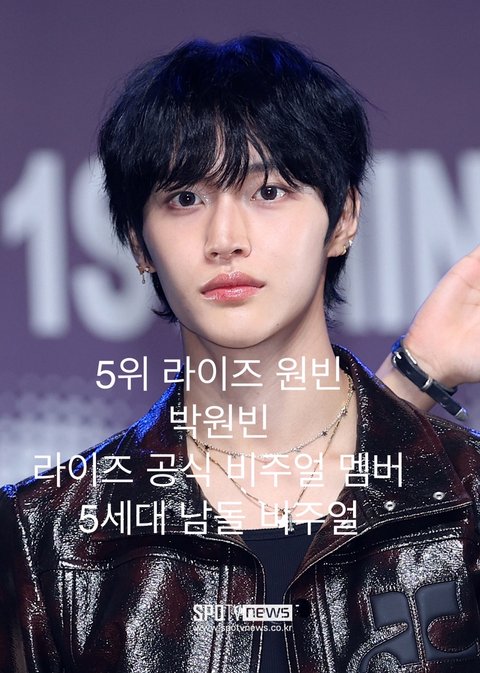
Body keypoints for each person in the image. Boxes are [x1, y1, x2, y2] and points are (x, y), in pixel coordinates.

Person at [1, 36, 479, 673]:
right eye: (185, 199)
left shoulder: (467, 496)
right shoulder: (45, 534)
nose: (225, 239)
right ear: (139, 245)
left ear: (343, 219)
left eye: (270, 191)